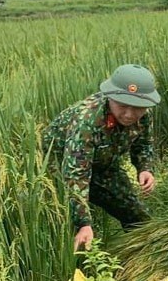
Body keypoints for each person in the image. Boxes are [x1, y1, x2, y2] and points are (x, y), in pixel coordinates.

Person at [44, 64, 160, 250]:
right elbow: (75, 174)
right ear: (110, 97)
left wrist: (145, 168)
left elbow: (143, 143)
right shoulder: (87, 120)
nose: (129, 114)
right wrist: (83, 223)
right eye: (122, 106)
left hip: (103, 165)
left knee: (140, 220)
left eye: (138, 107)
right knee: (73, 232)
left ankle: (140, 258)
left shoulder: (144, 115)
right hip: (59, 170)